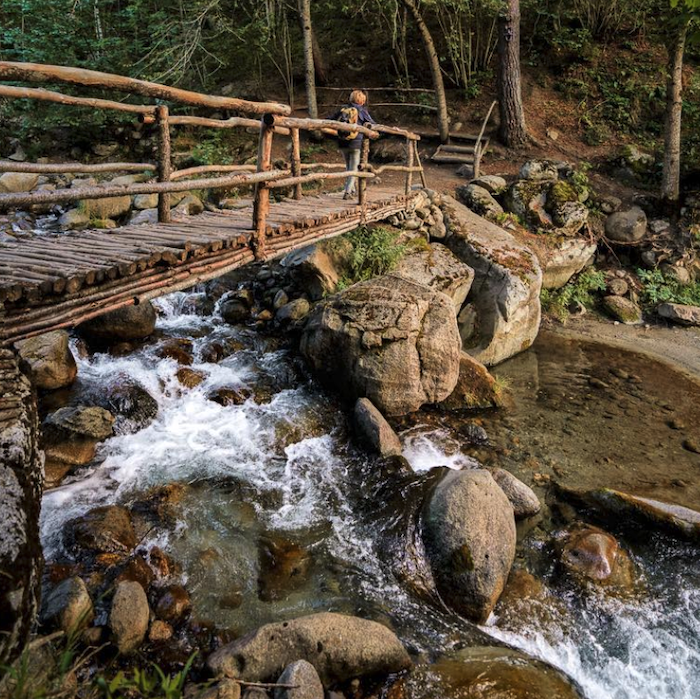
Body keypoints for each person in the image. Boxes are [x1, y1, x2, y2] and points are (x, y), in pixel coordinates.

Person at [329, 90, 375, 199]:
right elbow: (372, 124)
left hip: (342, 142)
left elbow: (330, 119)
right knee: (354, 169)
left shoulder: (343, 109)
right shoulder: (362, 111)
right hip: (356, 143)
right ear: (362, 101)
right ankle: (348, 192)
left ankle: (352, 189)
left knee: (348, 167)